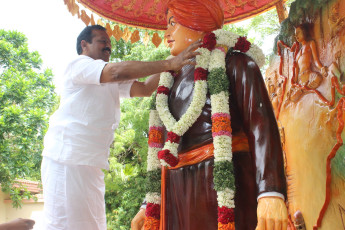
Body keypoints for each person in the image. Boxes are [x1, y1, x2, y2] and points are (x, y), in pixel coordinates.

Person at [131, 0, 288, 229]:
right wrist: (149, 205)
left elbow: (261, 127)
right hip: (176, 193)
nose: (167, 32)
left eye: (173, 23)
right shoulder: (167, 84)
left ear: (196, 20)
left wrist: (270, 191)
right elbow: (162, 150)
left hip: (222, 188)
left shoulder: (236, 64)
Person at [40, 24, 201, 230]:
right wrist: (170, 61)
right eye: (102, 42)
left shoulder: (107, 79)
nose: (108, 46)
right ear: (84, 45)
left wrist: (173, 64)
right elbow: (115, 72)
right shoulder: (80, 64)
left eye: (109, 43)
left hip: (90, 163)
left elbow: (144, 89)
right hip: (66, 159)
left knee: (94, 226)